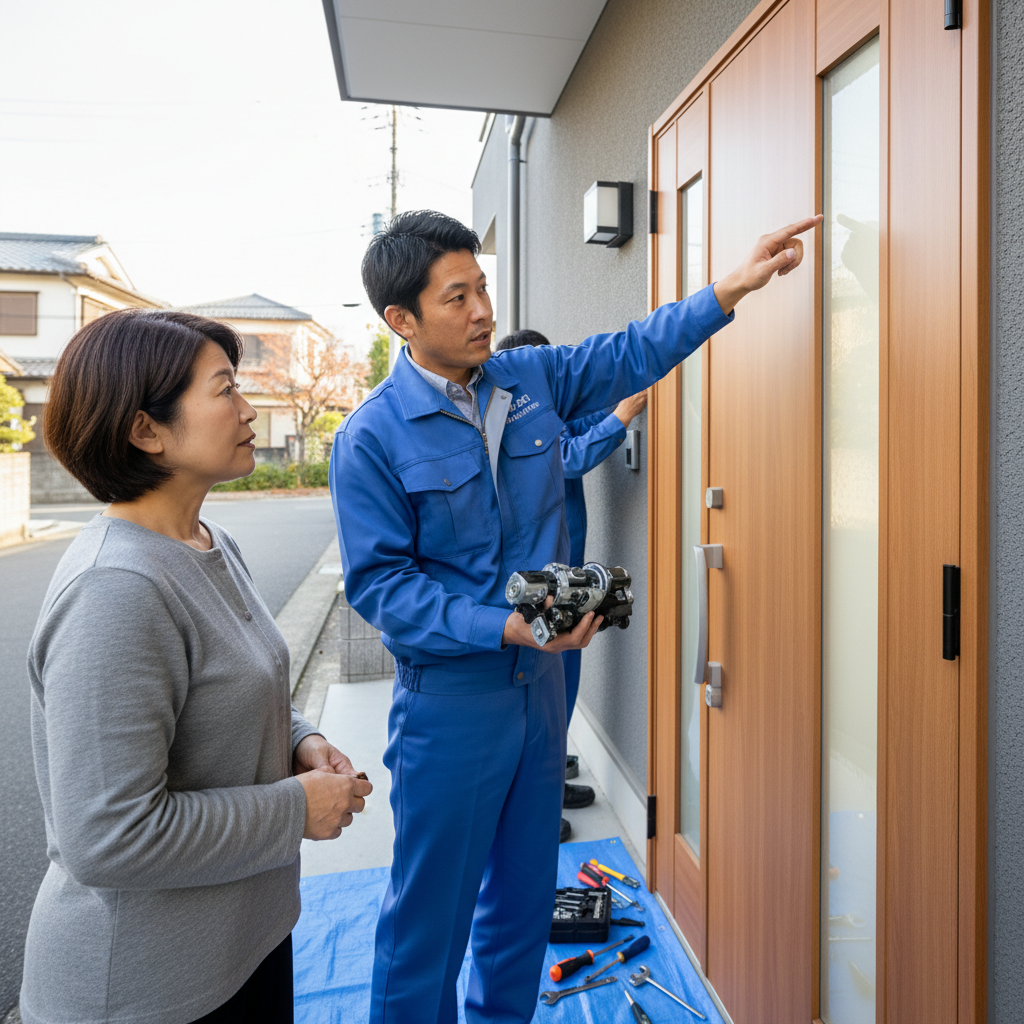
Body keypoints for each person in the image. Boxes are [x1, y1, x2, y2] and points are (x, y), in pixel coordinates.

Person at [331, 209, 820, 1024]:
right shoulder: (371, 437)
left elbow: (630, 349)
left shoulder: (530, 379)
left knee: (522, 910)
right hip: (451, 705)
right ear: (402, 321)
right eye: (458, 298)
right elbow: (383, 588)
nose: (483, 310)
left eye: (483, 288)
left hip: (542, 690)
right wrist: (503, 625)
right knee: (427, 929)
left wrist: (730, 286)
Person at [21, 309, 372, 1024]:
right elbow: (108, 837)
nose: (248, 410)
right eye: (225, 391)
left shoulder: (211, 543)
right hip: (144, 989)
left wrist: (299, 735)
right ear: (145, 429)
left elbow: (241, 682)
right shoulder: (114, 590)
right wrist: (295, 808)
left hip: (241, 945)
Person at [495, 328, 647, 841]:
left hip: (569, 568)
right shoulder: (509, 422)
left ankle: (551, 783)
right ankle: (534, 812)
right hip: (543, 580)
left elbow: (581, 423)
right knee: (541, 694)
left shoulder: (546, 405)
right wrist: (621, 419)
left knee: (562, 686)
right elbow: (569, 458)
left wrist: (617, 391)